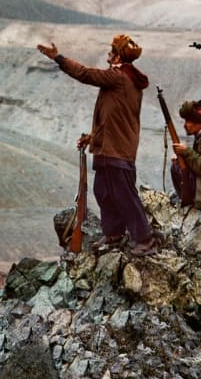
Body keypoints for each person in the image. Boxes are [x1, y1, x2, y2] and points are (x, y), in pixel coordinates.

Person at [37, 33, 157, 256]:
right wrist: (92, 138)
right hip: (109, 148)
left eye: (111, 52)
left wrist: (59, 58)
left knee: (124, 195)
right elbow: (112, 119)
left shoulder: (119, 77)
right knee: (103, 191)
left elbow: (85, 74)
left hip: (117, 150)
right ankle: (114, 234)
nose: (108, 55)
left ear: (118, 56)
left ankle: (145, 240)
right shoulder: (124, 79)